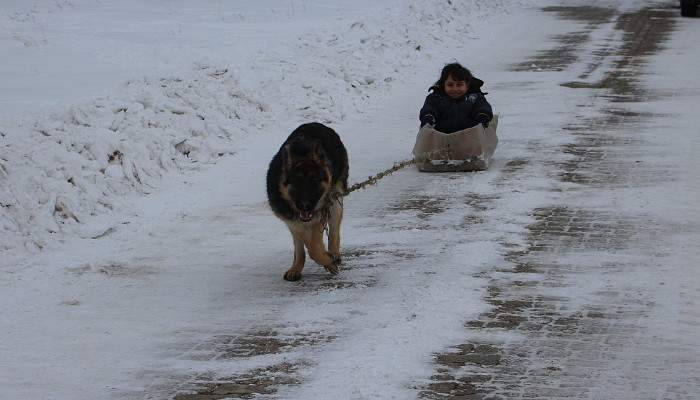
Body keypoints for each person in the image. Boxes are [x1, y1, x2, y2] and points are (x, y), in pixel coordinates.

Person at [419, 62, 493, 134]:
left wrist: (483, 117)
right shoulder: (436, 98)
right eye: (450, 85)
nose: (455, 89)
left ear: (467, 85)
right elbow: (429, 109)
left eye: (459, 84)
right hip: (441, 138)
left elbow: (483, 108)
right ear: (443, 85)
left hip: (470, 137)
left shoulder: (475, 98)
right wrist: (428, 118)